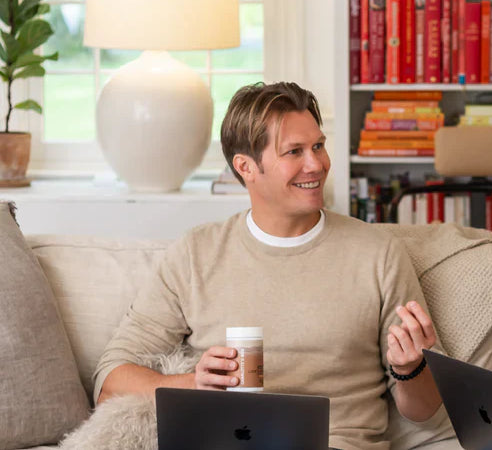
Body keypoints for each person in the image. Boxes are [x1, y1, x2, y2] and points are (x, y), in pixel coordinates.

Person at [94, 82, 442, 450]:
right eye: (294, 151)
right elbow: (111, 380)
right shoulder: (196, 254)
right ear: (246, 167)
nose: (317, 165)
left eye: (319, 146)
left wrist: (410, 369)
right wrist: (194, 384)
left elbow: (424, 409)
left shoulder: (379, 254)